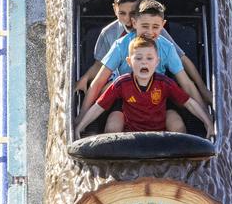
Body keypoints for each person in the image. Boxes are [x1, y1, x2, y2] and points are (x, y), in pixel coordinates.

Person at [77, 0, 211, 133]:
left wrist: (207, 118)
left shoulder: (167, 47)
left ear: (162, 26)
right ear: (135, 23)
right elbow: (99, 82)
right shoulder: (121, 45)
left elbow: (186, 84)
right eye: (145, 26)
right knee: (112, 126)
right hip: (126, 97)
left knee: (177, 125)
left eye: (155, 27)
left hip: (158, 96)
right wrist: (80, 118)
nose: (149, 32)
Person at [75, 36, 214, 139]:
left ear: (157, 62)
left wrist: (207, 122)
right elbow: (98, 106)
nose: (144, 63)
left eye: (149, 58)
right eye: (138, 58)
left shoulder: (164, 83)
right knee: (112, 127)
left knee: (178, 125)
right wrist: (80, 126)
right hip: (131, 135)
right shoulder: (121, 83)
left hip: (159, 134)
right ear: (129, 62)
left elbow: (189, 103)